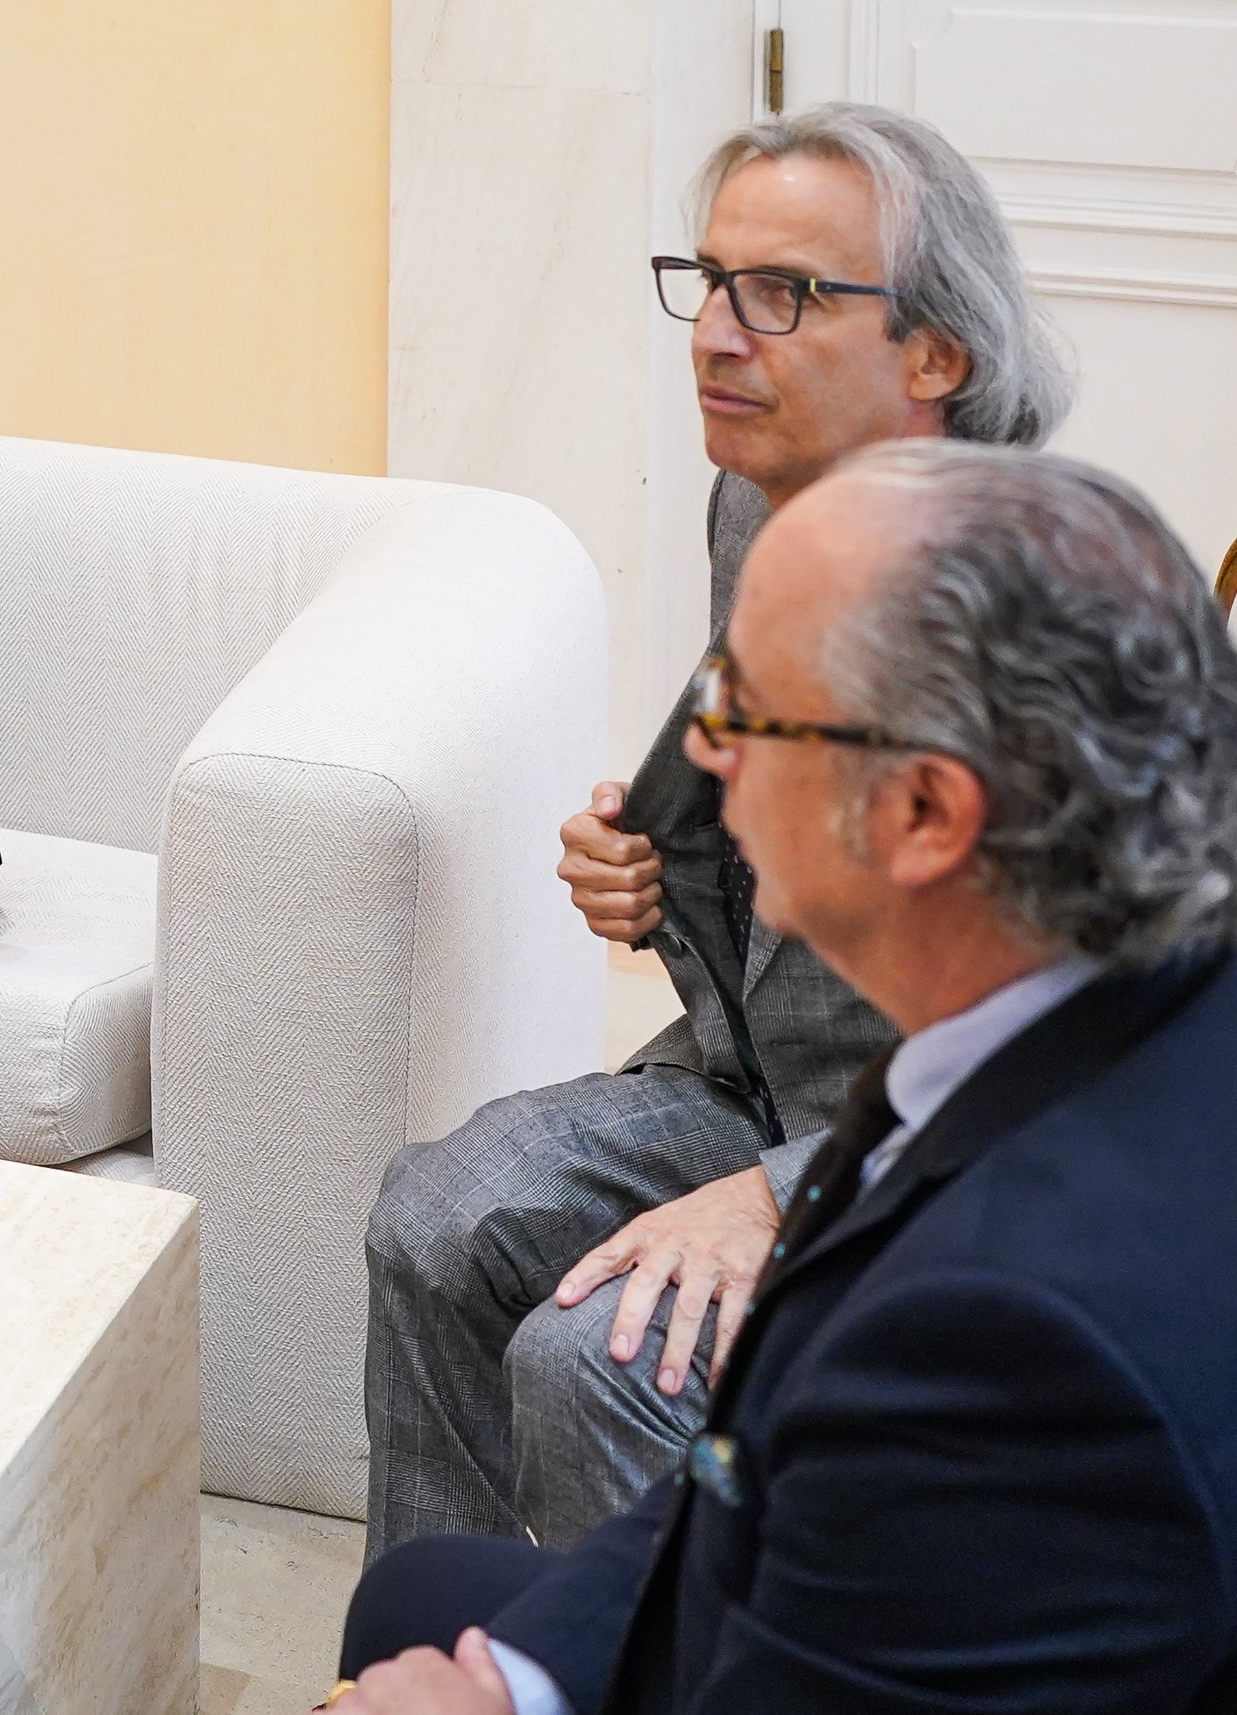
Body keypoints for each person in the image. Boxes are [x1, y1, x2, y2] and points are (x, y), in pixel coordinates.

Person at [336, 443, 1237, 1711]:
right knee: (417, 1593)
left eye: (748, 711)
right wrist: (518, 1678)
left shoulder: (1011, 1342)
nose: (703, 756)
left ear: (926, 811)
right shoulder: (1066, 1010)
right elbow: (740, 1470)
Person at [361, 106, 1069, 1549]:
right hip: (755, 1078)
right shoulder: (759, 506)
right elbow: (740, 779)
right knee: (437, 1215)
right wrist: (647, 860)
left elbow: (1084, 1039)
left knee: (604, 1353)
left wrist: (775, 1194)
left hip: (953, 1164)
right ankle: (451, 1650)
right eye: (710, 276)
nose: (716, 333)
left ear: (936, 354)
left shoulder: (1034, 623)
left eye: (786, 294)